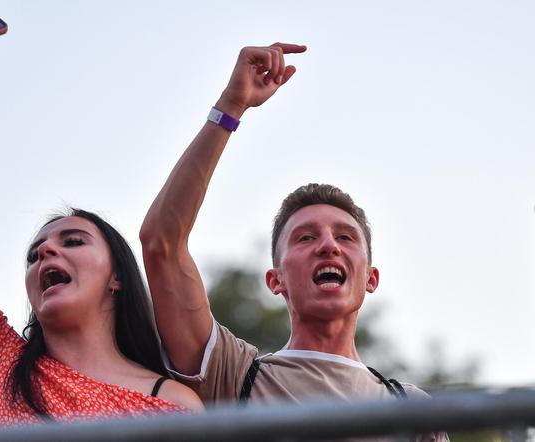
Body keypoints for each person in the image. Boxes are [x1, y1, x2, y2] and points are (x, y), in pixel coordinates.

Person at [0, 7, 202, 427]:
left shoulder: (174, 404)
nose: (45, 250)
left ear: (117, 276)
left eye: (73, 241)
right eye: (34, 255)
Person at [140, 43, 447, 441]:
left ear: (371, 278)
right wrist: (230, 108)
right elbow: (162, 244)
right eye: (305, 237)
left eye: (345, 236)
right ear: (275, 280)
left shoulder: (413, 409)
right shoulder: (235, 376)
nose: (327, 246)